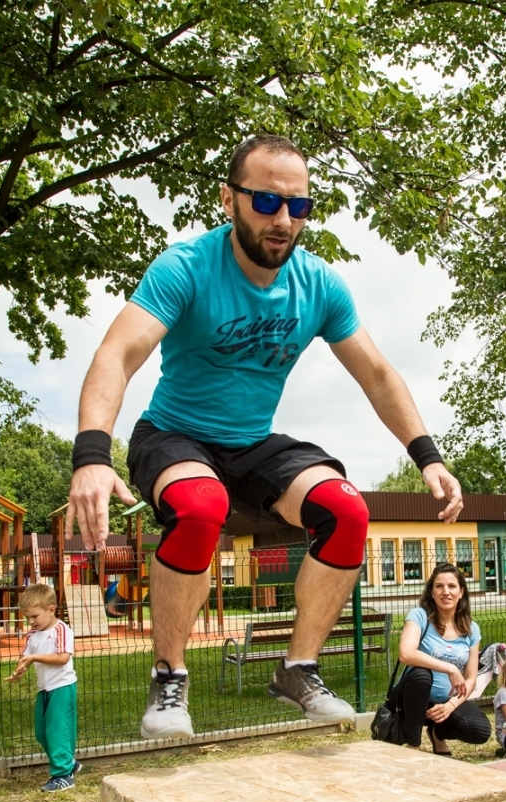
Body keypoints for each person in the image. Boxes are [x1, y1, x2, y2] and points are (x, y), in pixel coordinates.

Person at [65, 134, 462, 740]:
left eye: (298, 207)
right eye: (267, 202)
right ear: (230, 200)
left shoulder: (319, 285)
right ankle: (169, 676)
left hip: (252, 444)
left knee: (346, 511)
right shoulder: (186, 267)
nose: (283, 221)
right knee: (202, 507)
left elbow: (379, 375)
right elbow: (117, 355)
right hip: (174, 434)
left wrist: (427, 456)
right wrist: (92, 454)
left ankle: (297, 669)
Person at [395, 563, 491, 755]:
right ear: (432, 592)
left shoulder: (472, 629)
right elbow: (406, 653)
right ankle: (413, 745)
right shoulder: (419, 616)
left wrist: (450, 705)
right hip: (410, 701)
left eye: (452, 586)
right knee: (421, 674)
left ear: (461, 592)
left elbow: (471, 679)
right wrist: (450, 668)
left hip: (444, 703)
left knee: (480, 730)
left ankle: (437, 733)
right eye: (439, 586)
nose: (445, 592)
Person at [6, 584, 81, 792]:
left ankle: (63, 775)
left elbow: (62, 658)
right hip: (44, 689)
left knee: (57, 732)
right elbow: (25, 658)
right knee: (42, 732)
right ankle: (68, 762)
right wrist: (18, 672)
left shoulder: (61, 630)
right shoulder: (33, 634)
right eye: (27, 617)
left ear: (51, 609)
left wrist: (34, 658)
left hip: (62, 687)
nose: (31, 621)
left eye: (34, 616)